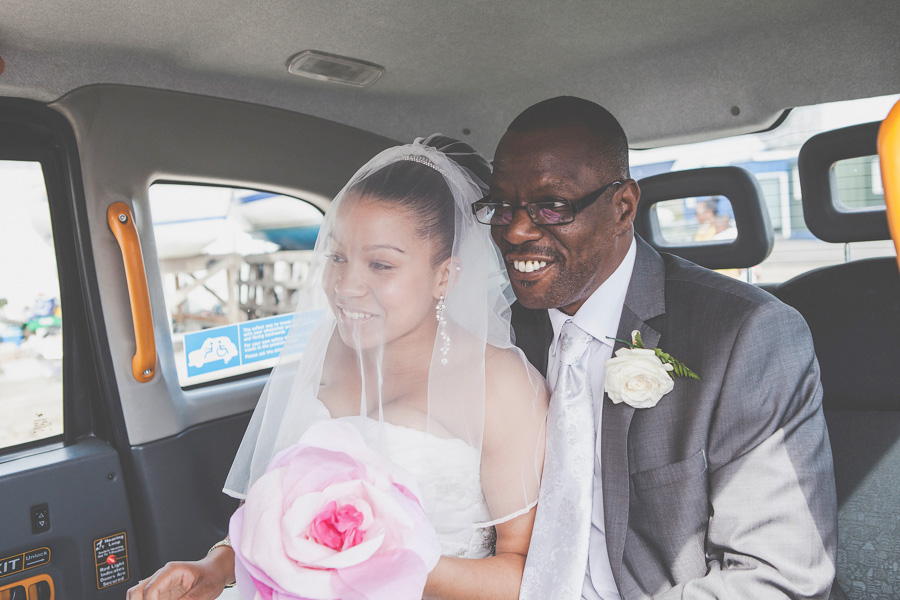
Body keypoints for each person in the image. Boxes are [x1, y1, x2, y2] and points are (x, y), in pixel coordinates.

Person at [127, 135, 548, 600]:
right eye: (337, 257)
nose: (346, 287)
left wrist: (392, 560)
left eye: (381, 265)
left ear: (444, 276)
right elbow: (277, 510)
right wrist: (218, 565)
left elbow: (526, 576)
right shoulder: (327, 345)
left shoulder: (502, 384)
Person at [475, 96, 837, 599]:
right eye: (502, 206)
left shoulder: (747, 335)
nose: (515, 230)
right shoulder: (496, 334)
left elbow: (776, 577)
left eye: (551, 206)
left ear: (623, 207)